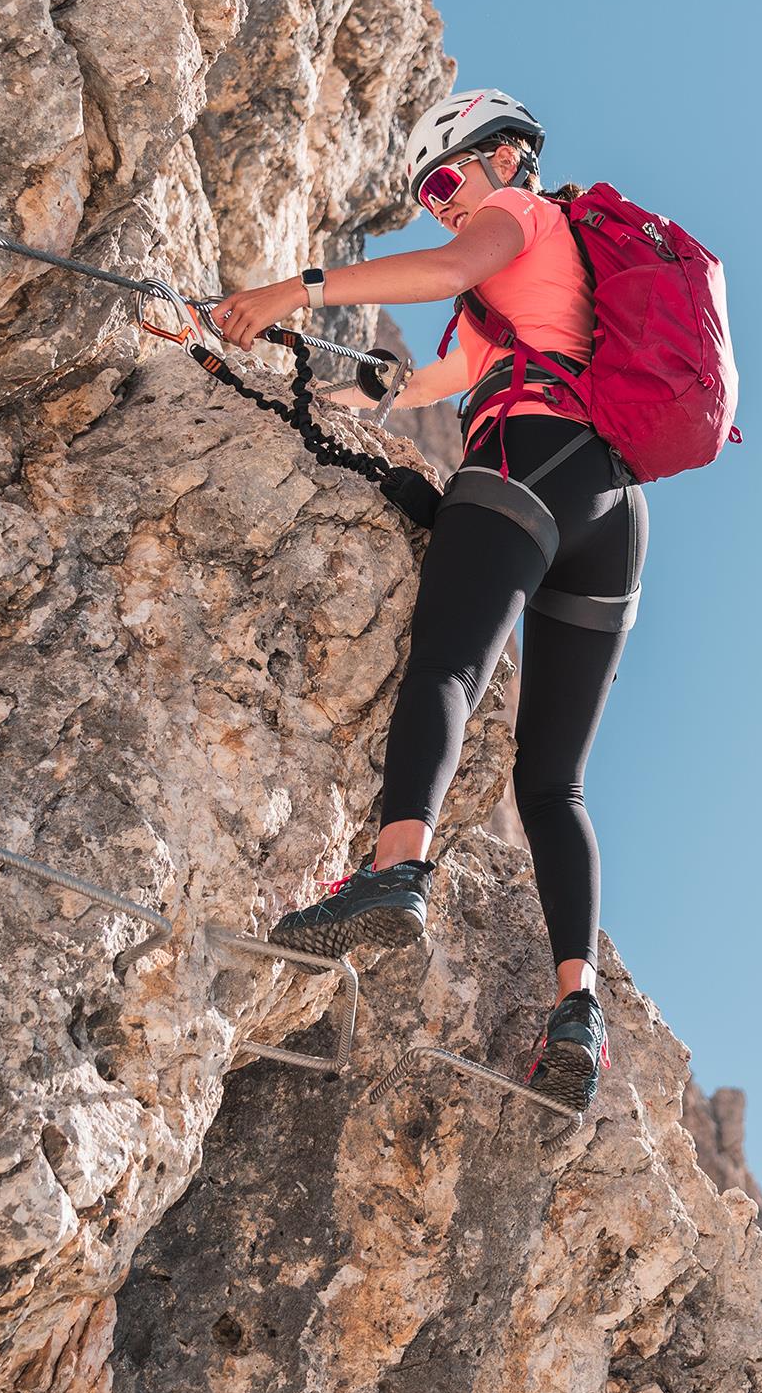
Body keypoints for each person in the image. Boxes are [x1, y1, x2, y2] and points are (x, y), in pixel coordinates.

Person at [208, 89, 643, 1113]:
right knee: (555, 784)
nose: (441, 207)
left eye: (446, 181)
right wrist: (308, 367)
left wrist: (293, 289)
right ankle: (577, 1008)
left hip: (531, 459)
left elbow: (449, 270)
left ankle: (397, 868)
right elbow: (418, 382)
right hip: (610, 508)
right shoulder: (539, 292)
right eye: (426, 195)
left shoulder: (522, 219)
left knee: (448, 661)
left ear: (502, 159)